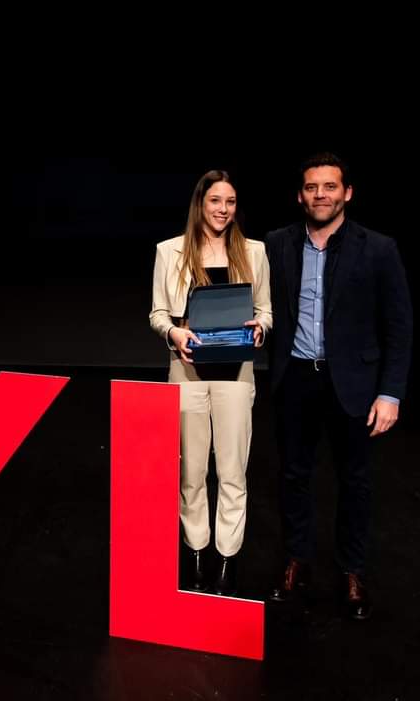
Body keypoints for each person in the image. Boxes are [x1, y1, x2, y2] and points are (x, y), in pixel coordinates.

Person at [264, 153, 412, 620]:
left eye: (329, 187)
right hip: (295, 379)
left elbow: (399, 325)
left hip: (353, 385)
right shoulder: (276, 244)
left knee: (355, 482)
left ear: (347, 193)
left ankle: (352, 570)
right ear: (300, 195)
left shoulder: (379, 248)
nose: (320, 195)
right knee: (293, 476)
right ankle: (297, 561)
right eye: (312, 187)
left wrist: (390, 393)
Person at [150, 170, 272, 596]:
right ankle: (196, 549)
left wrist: (261, 327)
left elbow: (267, 310)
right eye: (216, 201)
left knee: (233, 470)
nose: (224, 209)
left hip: (236, 374)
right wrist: (174, 333)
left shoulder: (253, 252)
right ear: (200, 204)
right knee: (192, 472)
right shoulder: (171, 251)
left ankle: (227, 557)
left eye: (231, 202)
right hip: (186, 372)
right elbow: (157, 314)